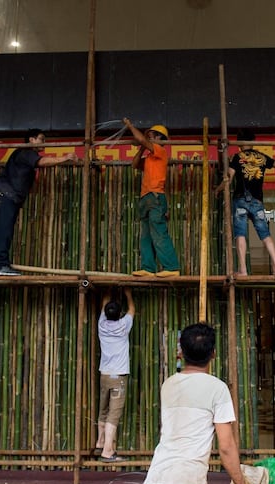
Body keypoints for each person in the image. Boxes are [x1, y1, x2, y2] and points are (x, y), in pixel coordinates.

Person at [143, 322, 252, 484]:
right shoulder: (217, 389)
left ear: (181, 352)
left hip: (158, 478)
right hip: (184, 483)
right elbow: (227, 446)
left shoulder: (169, 384)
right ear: (213, 354)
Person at [0, 128, 77, 276]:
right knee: (4, 231)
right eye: (42, 139)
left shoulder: (20, 154)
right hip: (7, 196)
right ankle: (1, 265)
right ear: (31, 140)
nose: (44, 143)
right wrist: (64, 157)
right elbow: (41, 162)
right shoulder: (27, 152)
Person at [217, 129, 275, 276]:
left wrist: (218, 190)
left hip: (240, 200)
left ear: (239, 143)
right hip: (257, 202)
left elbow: (228, 178)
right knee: (265, 235)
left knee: (240, 234)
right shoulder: (261, 157)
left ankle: (243, 270)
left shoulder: (237, 157)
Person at [123, 118, 180, 278]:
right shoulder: (149, 157)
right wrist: (141, 149)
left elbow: (141, 139)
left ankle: (172, 267)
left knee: (159, 232)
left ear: (160, 138)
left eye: (152, 136)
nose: (149, 138)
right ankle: (148, 268)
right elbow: (134, 165)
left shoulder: (160, 151)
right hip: (146, 198)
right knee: (146, 236)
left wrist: (129, 125)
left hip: (155, 197)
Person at [95, 287, 135, 463]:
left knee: (103, 410)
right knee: (114, 413)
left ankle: (100, 442)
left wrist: (107, 293)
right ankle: (107, 451)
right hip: (119, 377)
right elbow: (132, 310)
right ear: (120, 314)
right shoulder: (123, 326)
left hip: (104, 375)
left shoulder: (101, 324)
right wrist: (128, 294)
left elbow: (104, 304)